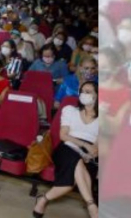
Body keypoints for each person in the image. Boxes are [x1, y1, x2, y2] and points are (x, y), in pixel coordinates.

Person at [33, 81, 99, 218]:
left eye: (88, 92)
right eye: (82, 91)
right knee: (76, 160)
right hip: (67, 147)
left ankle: (43, 199)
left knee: (69, 182)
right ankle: (92, 206)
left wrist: (92, 151)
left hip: (88, 154)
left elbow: (97, 144)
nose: (83, 94)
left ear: (97, 95)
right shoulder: (70, 110)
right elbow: (64, 136)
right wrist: (84, 145)